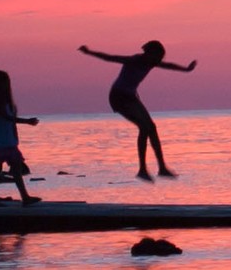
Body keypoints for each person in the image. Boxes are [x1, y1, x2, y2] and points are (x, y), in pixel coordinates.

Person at [80, 38, 196, 179]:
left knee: (151, 128)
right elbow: (110, 58)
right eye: (157, 56)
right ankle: (143, 170)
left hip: (131, 97)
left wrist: (186, 69)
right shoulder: (135, 60)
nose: (158, 59)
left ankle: (162, 168)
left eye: (160, 57)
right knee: (144, 127)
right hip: (119, 97)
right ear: (149, 53)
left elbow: (169, 65)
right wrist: (89, 52)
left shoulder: (151, 62)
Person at [0, 68, 43, 203]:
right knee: (0, 168)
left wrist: (15, 138)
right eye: (4, 82)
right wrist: (27, 121)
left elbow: (10, 122)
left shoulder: (7, 103)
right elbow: (7, 118)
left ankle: (22, 197)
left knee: (13, 168)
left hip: (7, 140)